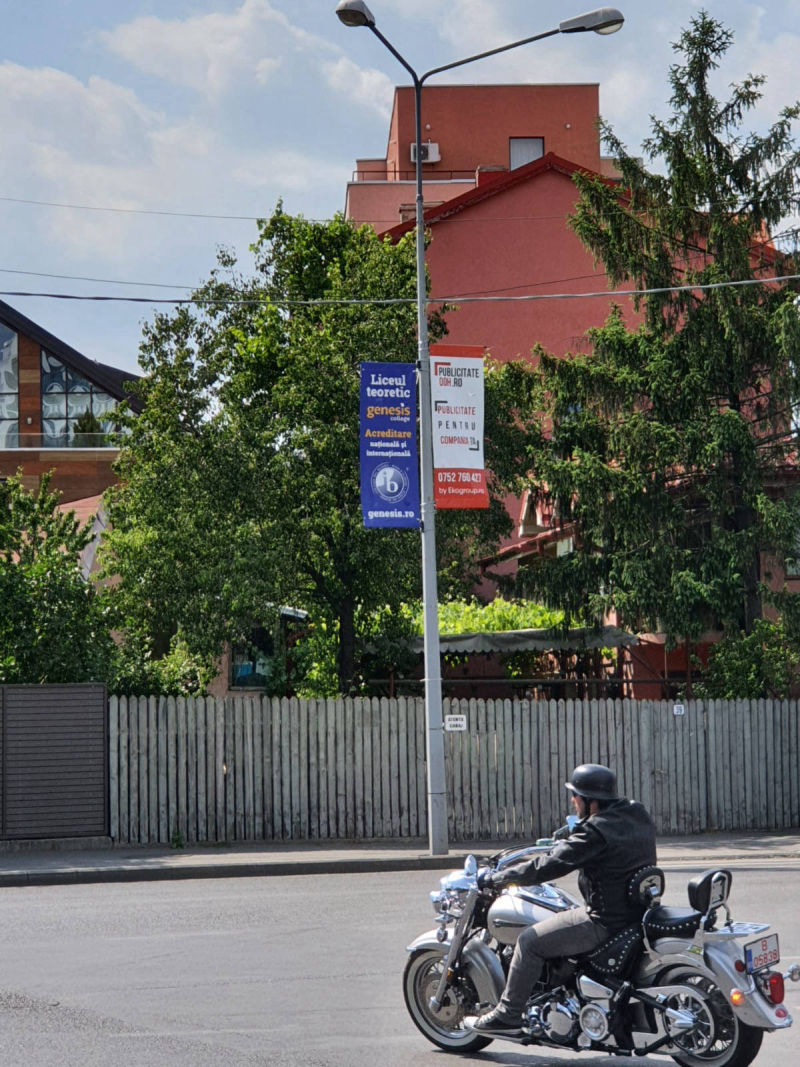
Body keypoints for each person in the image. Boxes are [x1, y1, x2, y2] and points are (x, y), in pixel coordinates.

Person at [469, 763, 657, 1037]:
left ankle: (509, 1014)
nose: (572, 800)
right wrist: (572, 833)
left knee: (529, 941)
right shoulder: (636, 813)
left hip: (604, 921)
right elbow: (601, 839)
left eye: (576, 795)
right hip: (635, 914)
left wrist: (498, 878)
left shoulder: (594, 833)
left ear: (591, 801)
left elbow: (547, 867)